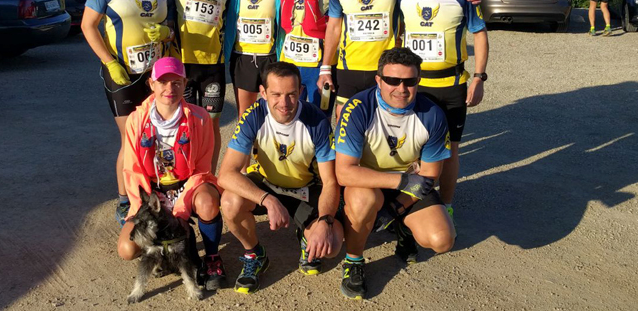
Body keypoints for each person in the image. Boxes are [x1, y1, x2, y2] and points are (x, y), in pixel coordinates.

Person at [318, 0, 480, 122]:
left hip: (387, 68)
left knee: (386, 124)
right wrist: (326, 68)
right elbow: (334, 28)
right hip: (349, 68)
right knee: (346, 121)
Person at [334, 47, 454, 300]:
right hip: (369, 183)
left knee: (441, 240)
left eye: (410, 81)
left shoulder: (432, 113)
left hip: (409, 187)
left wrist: (395, 209)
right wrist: (402, 180)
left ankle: (403, 227)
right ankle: (353, 261)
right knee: (363, 201)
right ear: (379, 80)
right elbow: (344, 173)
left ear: (418, 81)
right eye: (392, 80)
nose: (401, 88)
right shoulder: (357, 108)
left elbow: (429, 176)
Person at [218, 62, 343, 294]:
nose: (284, 103)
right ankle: (254, 253)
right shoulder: (253, 117)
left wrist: (325, 221)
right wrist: (267, 199)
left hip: (305, 188)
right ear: (263, 92)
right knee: (229, 201)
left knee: (333, 244)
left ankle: (307, 234)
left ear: (301, 92)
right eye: (275, 94)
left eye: (291, 94)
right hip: (267, 184)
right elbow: (226, 174)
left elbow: (330, 182)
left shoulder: (316, 120)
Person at [81, 0, 176, 226]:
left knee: (155, 136)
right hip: (121, 74)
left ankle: (151, 193)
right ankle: (125, 201)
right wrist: (109, 62)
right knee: (131, 139)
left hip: (153, 76)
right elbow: (87, 25)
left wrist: (166, 32)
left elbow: (172, 26)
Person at [396, 0, 488, 223]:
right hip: (413, 86)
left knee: (450, 152)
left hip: (451, 86)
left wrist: (479, 77)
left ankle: (446, 204)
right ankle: (408, 205)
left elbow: (481, 35)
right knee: (410, 150)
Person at [117, 57, 226, 290]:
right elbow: (132, 170)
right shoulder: (136, 120)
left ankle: (212, 258)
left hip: (187, 184)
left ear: (185, 83)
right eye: (163, 82)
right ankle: (167, 250)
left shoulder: (199, 117)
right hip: (153, 191)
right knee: (127, 249)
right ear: (151, 84)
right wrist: (143, 208)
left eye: (176, 82)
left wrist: (181, 211)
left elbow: (202, 169)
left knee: (208, 202)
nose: (170, 89)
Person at [160, 0, 231, 170]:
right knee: (184, 125)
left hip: (214, 67)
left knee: (211, 126)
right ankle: (185, 174)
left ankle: (208, 177)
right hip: (183, 67)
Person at [279, 0, 338, 118]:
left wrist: (326, 68)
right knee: (289, 118)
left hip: (318, 67)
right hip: (290, 64)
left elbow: (337, 29)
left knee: (319, 120)